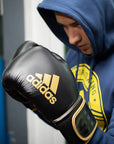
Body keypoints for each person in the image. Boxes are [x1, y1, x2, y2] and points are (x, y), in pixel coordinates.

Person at [36, 0, 114, 143]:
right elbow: (67, 126)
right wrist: (37, 105)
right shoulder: (74, 55)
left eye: (77, 24)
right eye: (64, 26)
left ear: (99, 16)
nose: (72, 39)